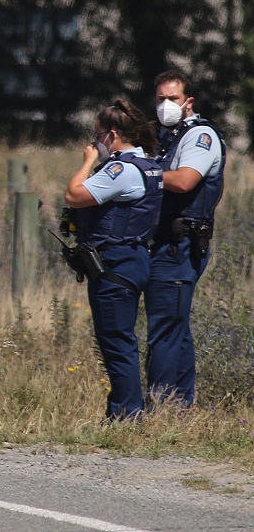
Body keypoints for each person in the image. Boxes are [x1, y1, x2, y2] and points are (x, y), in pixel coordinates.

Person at [64, 100, 163, 421]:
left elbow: (75, 195)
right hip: (134, 259)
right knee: (121, 340)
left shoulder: (121, 169)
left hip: (115, 264)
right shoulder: (149, 165)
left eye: (97, 137)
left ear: (112, 135)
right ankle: (123, 409)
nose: (94, 143)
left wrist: (87, 160)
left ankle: (127, 414)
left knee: (116, 343)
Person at [146, 70, 225, 408]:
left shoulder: (199, 136)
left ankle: (161, 406)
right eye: (161, 98)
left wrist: (142, 172)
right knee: (174, 327)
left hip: (181, 245)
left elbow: (184, 181)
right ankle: (178, 404)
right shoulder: (168, 136)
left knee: (164, 329)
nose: (166, 105)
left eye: (173, 99)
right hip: (163, 242)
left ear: (188, 101)